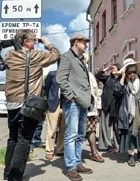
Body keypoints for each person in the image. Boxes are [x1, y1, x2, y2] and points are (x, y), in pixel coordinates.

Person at [3, 29, 60, 181]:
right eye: (33, 40)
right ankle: (15, 177)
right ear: (26, 42)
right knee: (25, 139)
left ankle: (8, 173)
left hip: (11, 103)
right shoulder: (35, 55)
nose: (35, 42)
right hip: (29, 104)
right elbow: (56, 55)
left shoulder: (9, 55)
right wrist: (47, 43)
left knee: (13, 138)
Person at [56, 34, 93, 181]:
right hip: (72, 102)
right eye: (84, 42)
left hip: (83, 102)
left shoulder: (80, 60)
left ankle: (77, 163)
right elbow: (61, 78)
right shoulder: (66, 57)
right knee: (71, 135)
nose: (86, 45)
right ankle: (71, 167)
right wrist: (70, 96)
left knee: (80, 135)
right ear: (76, 42)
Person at [114, 58, 140, 167]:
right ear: (125, 72)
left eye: (134, 72)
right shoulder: (122, 82)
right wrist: (122, 77)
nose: (132, 74)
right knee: (130, 134)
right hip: (128, 112)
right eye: (129, 72)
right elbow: (117, 92)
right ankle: (131, 155)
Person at [95, 63, 122, 153]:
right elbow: (98, 75)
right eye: (112, 69)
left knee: (116, 127)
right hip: (106, 106)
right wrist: (106, 69)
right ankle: (106, 145)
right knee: (105, 126)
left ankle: (118, 145)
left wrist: (121, 73)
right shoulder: (107, 79)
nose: (113, 70)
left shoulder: (121, 79)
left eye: (115, 68)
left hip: (116, 106)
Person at [83, 53, 104, 163]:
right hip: (77, 108)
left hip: (90, 109)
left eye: (85, 60)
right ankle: (73, 158)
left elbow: (96, 92)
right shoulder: (73, 72)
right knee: (75, 133)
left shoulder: (90, 75)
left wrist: (97, 107)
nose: (84, 62)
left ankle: (94, 153)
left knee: (91, 130)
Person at [44, 69, 65, 160]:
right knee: (51, 128)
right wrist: (51, 98)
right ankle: (49, 150)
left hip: (65, 105)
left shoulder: (69, 74)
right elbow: (46, 87)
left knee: (63, 129)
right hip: (53, 104)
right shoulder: (52, 74)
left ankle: (60, 149)